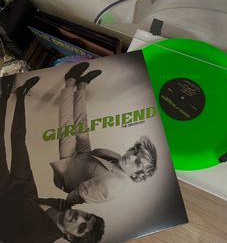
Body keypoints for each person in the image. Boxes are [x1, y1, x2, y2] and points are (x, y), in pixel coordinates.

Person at [0, 76, 105, 243]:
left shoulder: (37, 238)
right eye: (87, 217)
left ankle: (4, 93)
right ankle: (19, 95)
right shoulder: (64, 206)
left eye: (81, 227)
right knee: (19, 139)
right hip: (23, 184)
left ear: (70, 237)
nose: (79, 218)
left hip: (3, 191)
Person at [50, 62, 158, 205]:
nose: (130, 156)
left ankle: (70, 81)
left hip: (70, 168)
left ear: (137, 175)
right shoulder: (121, 163)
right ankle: (81, 85)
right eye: (134, 151)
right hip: (86, 157)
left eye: (137, 162)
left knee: (66, 124)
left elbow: (77, 196)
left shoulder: (112, 186)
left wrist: (63, 206)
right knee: (82, 123)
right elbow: (99, 155)